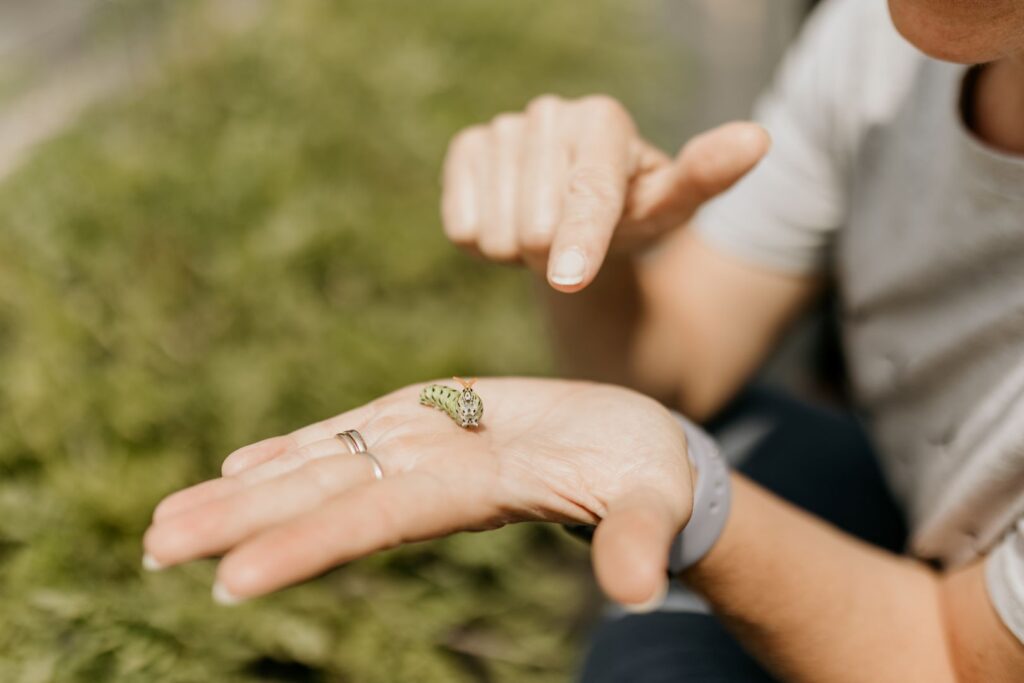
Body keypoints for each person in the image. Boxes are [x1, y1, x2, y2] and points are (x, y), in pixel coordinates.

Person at [143, 0, 1024, 680]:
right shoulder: (881, 41)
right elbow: (679, 360)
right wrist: (581, 241)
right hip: (939, 525)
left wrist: (698, 498)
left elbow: (949, 658)